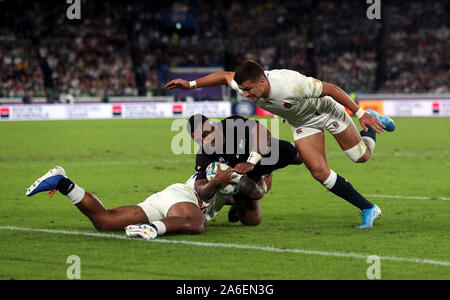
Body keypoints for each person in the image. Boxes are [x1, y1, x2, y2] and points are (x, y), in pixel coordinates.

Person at [165, 60, 397, 228]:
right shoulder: (247, 84)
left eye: (248, 89)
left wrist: (359, 112)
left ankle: (370, 123)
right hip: (302, 123)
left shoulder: (291, 84)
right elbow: (225, 76)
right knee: (319, 172)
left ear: (263, 81)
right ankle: (368, 208)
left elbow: (332, 89)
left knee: (361, 157)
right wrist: (190, 84)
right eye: (243, 90)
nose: (245, 94)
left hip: (325, 110)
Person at [25, 166, 236, 239]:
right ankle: (152, 229)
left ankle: (63, 183)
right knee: (196, 222)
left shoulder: (232, 185)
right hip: (181, 197)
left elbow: (243, 210)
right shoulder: (222, 169)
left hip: (167, 200)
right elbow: (208, 191)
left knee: (105, 221)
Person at [186, 114, 302, 225]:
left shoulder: (231, 124)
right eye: (198, 140)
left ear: (214, 126)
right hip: (246, 176)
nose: (204, 142)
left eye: (205, 134)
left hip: (267, 154)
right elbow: (201, 189)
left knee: (302, 157)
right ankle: (238, 200)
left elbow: (262, 132)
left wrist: (251, 161)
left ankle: (239, 195)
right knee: (252, 221)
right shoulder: (204, 154)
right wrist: (215, 182)